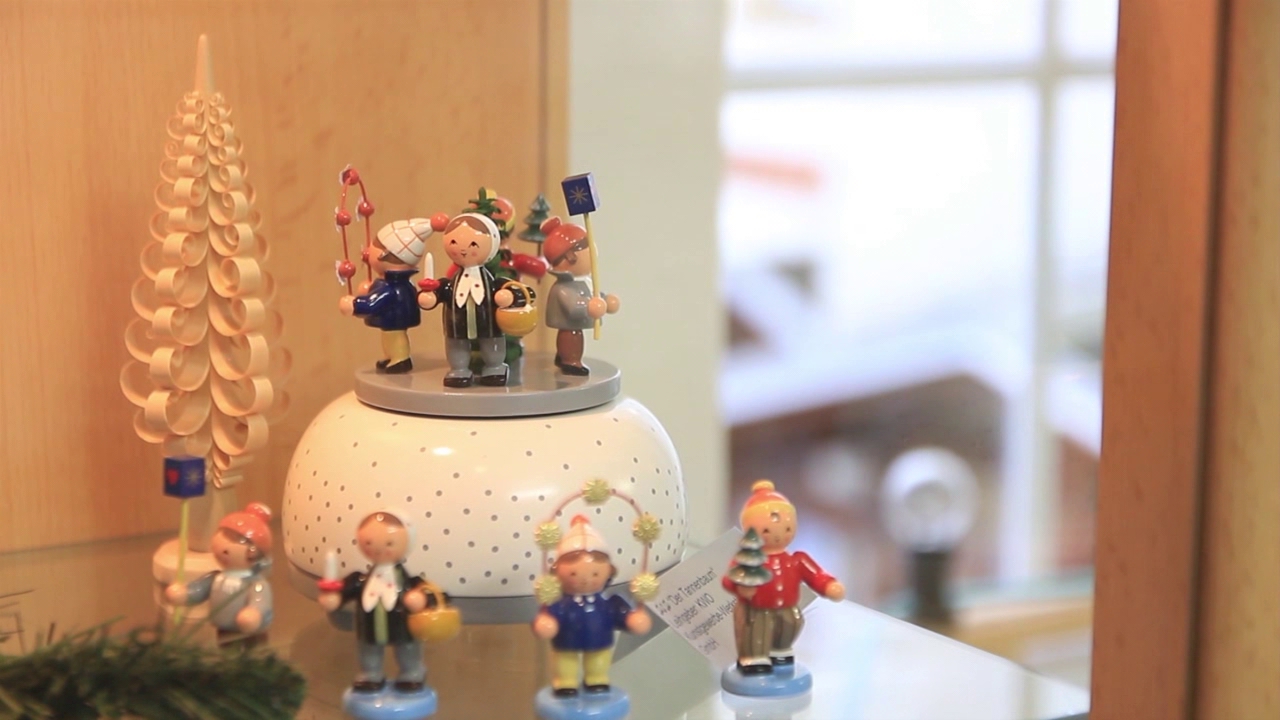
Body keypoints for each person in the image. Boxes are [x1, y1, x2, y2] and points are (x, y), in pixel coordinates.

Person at [722, 480, 846, 675]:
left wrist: (828, 585)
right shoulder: (748, 561)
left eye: (787, 529)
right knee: (758, 630)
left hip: (788, 606)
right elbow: (729, 580)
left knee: (792, 623)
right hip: (759, 608)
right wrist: (740, 587)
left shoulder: (796, 560)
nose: (778, 535)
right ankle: (755, 658)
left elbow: (815, 574)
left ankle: (780, 650)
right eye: (766, 531)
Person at [532, 515, 651, 697]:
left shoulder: (609, 603)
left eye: (595, 573)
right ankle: (565, 681)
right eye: (573, 573)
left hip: (599, 640)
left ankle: (596, 678)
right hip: (567, 641)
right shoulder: (561, 605)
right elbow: (549, 616)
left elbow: (621, 613)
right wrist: (546, 623)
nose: (586, 580)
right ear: (557, 572)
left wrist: (633, 619)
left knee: (599, 658)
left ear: (609, 572)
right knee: (565, 659)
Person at [318, 510, 431, 694]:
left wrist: (421, 597)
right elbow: (344, 591)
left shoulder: (408, 582)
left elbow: (432, 592)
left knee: (407, 649)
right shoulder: (359, 580)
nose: (378, 549)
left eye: (389, 543)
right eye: (369, 543)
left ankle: (412, 671)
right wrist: (334, 599)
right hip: (369, 627)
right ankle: (371, 673)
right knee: (368, 650)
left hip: (402, 626)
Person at [418, 213, 516, 387]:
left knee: (491, 342)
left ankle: (495, 367)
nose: (463, 250)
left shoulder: (491, 283)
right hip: (457, 323)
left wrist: (506, 296)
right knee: (457, 345)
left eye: (473, 244)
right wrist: (431, 297)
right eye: (454, 243)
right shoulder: (450, 284)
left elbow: (510, 290)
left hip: (488, 323)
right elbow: (441, 290)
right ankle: (459, 369)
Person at [166, 502, 274, 650]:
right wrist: (184, 593)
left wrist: (254, 614)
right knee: (226, 651)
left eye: (235, 540)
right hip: (223, 630)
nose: (224, 548)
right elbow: (199, 590)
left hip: (251, 634)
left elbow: (260, 602)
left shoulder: (256, 584)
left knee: (253, 653)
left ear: (254, 552)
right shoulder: (216, 577)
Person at [339, 218, 433, 374]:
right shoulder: (391, 283)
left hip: (395, 321)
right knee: (388, 336)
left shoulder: (392, 288)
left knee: (395, 336)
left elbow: (373, 304)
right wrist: (369, 289)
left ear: (385, 255)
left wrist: (355, 305)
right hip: (391, 322)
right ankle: (392, 356)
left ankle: (400, 358)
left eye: (375, 246)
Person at [540, 217, 620, 376]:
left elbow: (592, 293)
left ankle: (564, 356)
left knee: (573, 336)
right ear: (570, 257)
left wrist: (605, 300)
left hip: (573, 325)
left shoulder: (582, 281)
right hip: (570, 326)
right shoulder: (563, 288)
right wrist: (589, 306)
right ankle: (570, 360)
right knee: (572, 337)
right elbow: (574, 307)